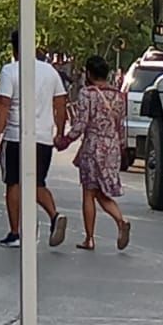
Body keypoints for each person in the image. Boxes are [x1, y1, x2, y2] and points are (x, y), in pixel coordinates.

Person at [0, 31, 68, 248]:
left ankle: (16, 232)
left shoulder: (10, 71)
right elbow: (60, 103)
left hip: (16, 136)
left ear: (13, 48)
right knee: (36, 182)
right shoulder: (50, 71)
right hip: (43, 137)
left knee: (14, 183)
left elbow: (4, 104)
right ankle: (54, 215)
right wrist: (60, 132)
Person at [57, 55, 131, 251]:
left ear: (88, 74)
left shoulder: (87, 93)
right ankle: (120, 221)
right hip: (112, 147)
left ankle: (89, 238)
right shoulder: (118, 95)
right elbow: (120, 125)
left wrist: (65, 140)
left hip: (93, 147)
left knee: (89, 193)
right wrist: (122, 147)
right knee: (101, 191)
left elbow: (81, 124)